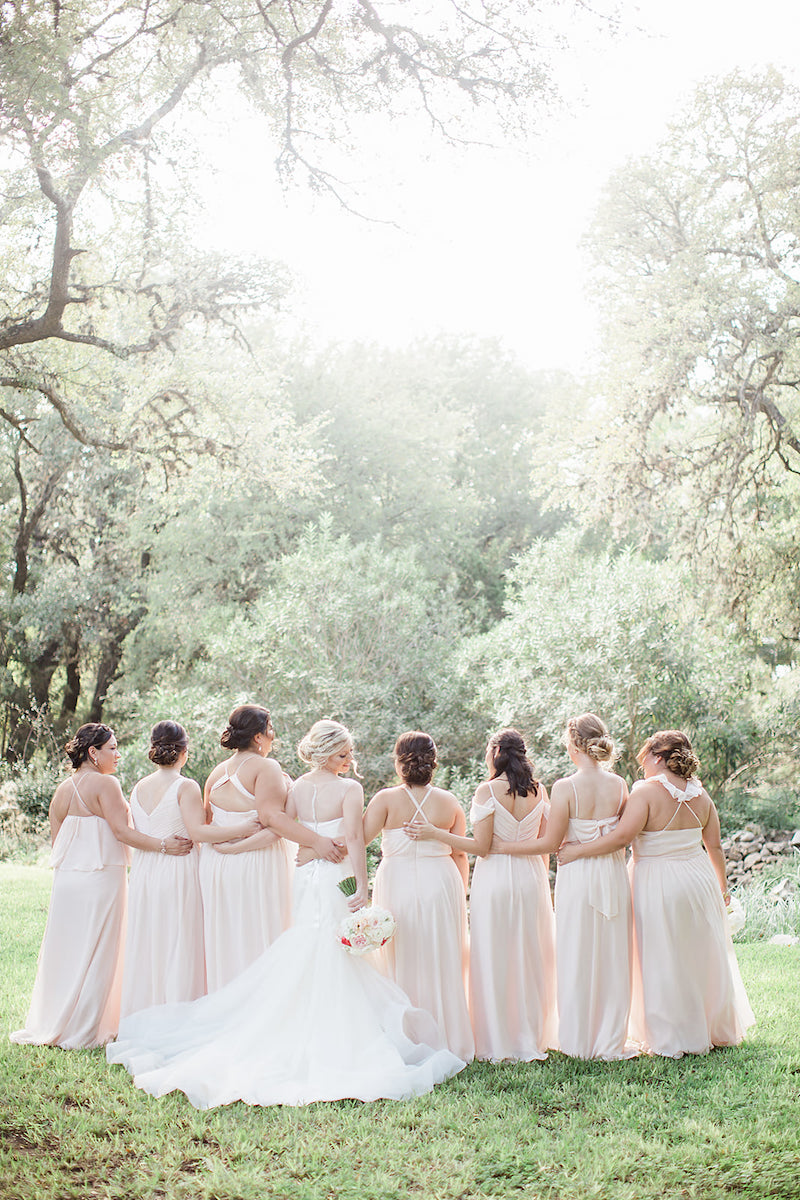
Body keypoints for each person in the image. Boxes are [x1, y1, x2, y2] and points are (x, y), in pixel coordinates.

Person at [106, 720, 465, 1107]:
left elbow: (277, 826)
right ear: (327, 754)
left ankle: (307, 1026)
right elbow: (354, 838)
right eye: (344, 754)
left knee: (315, 944)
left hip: (305, 873)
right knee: (332, 948)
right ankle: (331, 1033)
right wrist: (362, 885)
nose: (349, 761)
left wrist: (292, 848)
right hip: (334, 875)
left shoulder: (298, 788)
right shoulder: (349, 789)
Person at [558, 729, 755, 1057]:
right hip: (700, 880)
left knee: (662, 957)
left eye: (645, 758)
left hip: (658, 880)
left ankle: (672, 1035)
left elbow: (621, 838)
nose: (642, 765)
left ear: (659, 758)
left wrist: (577, 851)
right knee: (700, 955)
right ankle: (711, 1028)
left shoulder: (646, 793)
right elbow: (715, 846)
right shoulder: (701, 795)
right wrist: (722, 889)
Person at [11, 723, 191, 1049]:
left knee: (66, 949)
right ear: (93, 753)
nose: (118, 754)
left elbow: (57, 842)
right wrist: (164, 845)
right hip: (101, 876)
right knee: (101, 949)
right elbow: (123, 833)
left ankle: (55, 1019)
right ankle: (87, 1027)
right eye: (112, 748)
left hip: (68, 880)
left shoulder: (63, 789)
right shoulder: (106, 784)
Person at [410, 728, 556, 1061]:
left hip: (496, 879)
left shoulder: (487, 790)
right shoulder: (539, 790)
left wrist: (436, 833)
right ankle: (532, 1034)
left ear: (495, 752)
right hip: (532, 876)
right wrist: (540, 883)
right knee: (530, 955)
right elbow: (543, 844)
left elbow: (481, 847)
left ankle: (498, 1039)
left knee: (495, 955)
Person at [494, 715, 633, 1060]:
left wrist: (500, 846)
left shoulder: (565, 787)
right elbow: (622, 839)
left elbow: (550, 843)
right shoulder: (619, 784)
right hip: (613, 874)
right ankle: (610, 1037)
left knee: (577, 953)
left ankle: (579, 1039)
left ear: (573, 745)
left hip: (578, 875)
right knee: (613, 955)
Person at [198, 704, 343, 992]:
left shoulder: (217, 773)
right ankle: (262, 1002)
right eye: (270, 729)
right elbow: (272, 819)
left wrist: (229, 845)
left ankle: (228, 997)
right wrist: (316, 841)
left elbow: (207, 819)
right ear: (258, 737)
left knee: (228, 936)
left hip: (215, 864)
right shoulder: (266, 767)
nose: (273, 736)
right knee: (262, 931)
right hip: (257, 862)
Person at [120, 720, 255, 1017]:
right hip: (178, 870)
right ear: (184, 752)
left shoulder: (139, 786)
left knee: (151, 941)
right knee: (180, 941)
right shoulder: (186, 786)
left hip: (145, 873)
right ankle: (179, 1014)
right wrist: (244, 827)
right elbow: (198, 833)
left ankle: (146, 1011)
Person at [364, 731, 474, 1062]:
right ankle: (447, 1034)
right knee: (441, 955)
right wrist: (463, 895)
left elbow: (359, 839)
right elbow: (460, 854)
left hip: (396, 881)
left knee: (400, 955)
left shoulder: (384, 800)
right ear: (434, 763)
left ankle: (406, 1037)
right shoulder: (449, 802)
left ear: (399, 764)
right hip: (441, 883)